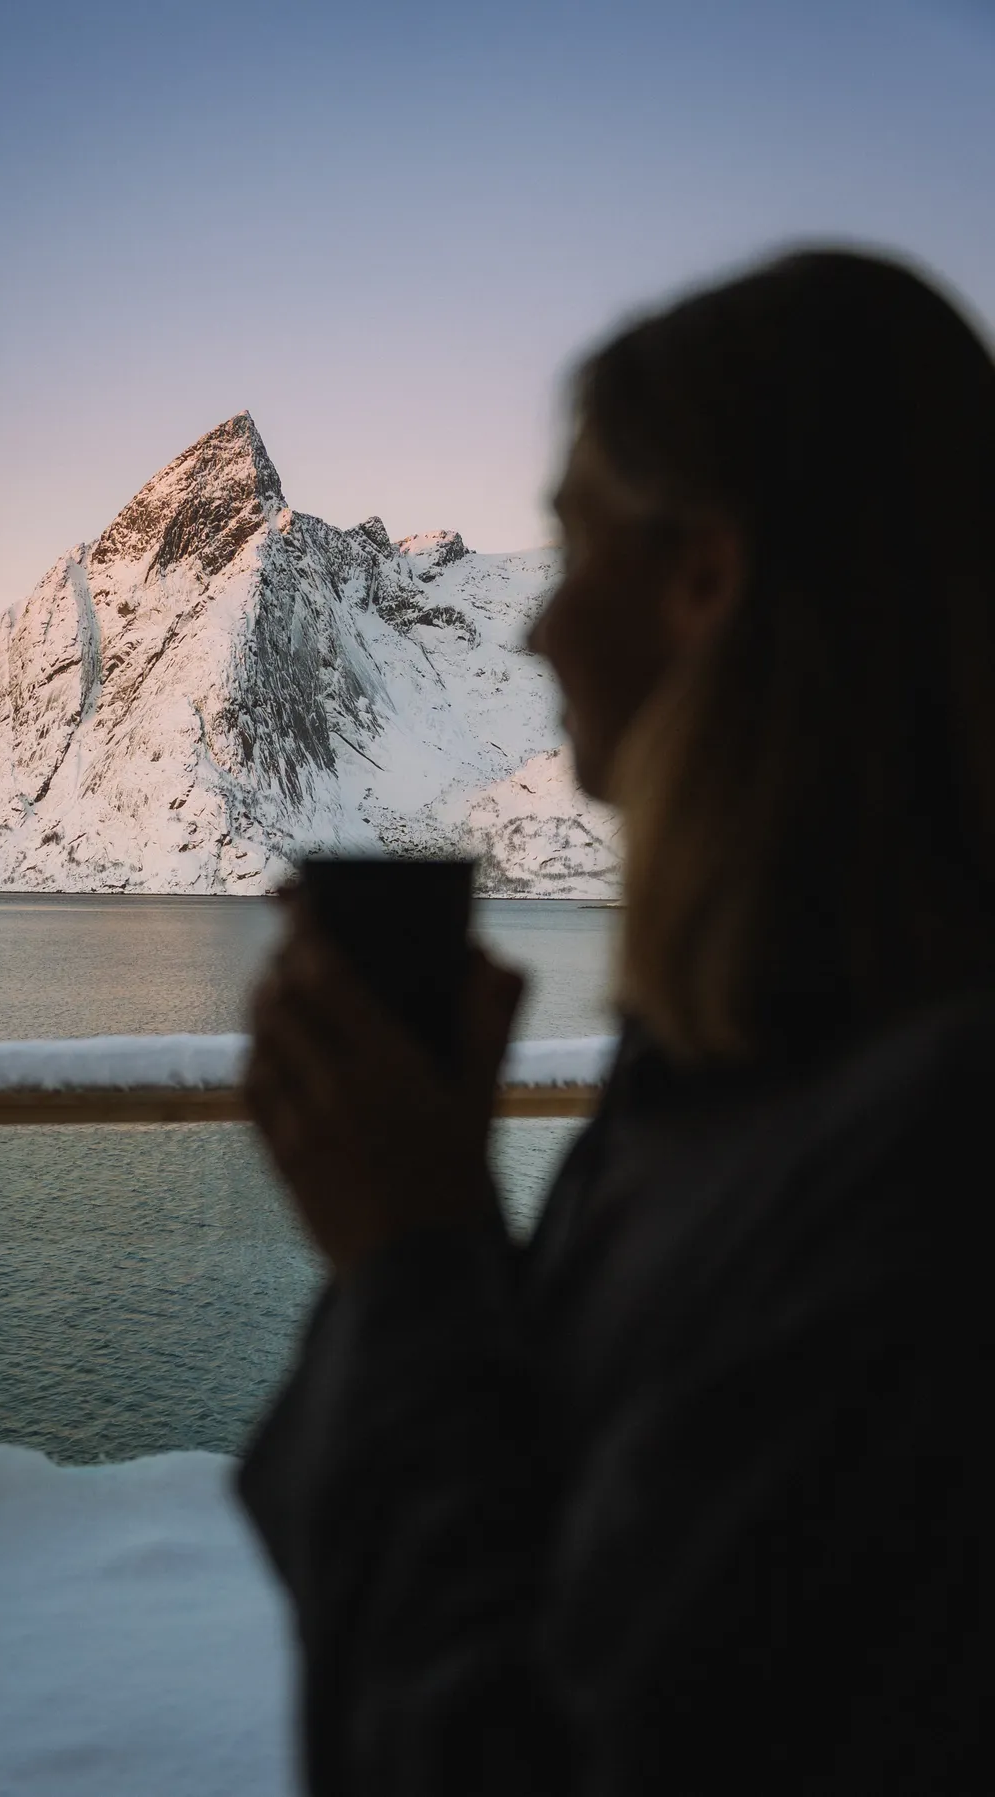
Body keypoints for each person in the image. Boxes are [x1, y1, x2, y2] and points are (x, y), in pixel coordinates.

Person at [238, 248, 994, 1795]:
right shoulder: (742, 1073)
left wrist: (410, 1256)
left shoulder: (922, 1168)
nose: (537, 631)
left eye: (575, 543)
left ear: (705, 576)